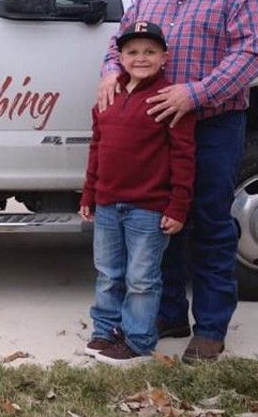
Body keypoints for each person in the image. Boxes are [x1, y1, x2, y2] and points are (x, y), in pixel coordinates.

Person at [97, 0, 258, 363]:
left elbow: (252, 54)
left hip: (212, 125)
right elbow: (119, 43)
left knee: (211, 224)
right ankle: (168, 314)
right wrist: (110, 72)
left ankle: (210, 329)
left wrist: (195, 93)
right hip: (157, 131)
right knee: (160, 220)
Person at [81, 22, 196, 365]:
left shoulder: (169, 99)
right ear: (120, 56)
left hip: (148, 208)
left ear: (165, 57)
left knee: (142, 279)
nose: (141, 58)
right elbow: (97, 148)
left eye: (150, 51)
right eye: (132, 51)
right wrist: (89, 194)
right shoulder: (108, 95)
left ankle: (138, 340)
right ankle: (105, 330)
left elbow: (183, 157)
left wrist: (178, 206)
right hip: (107, 204)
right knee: (108, 272)